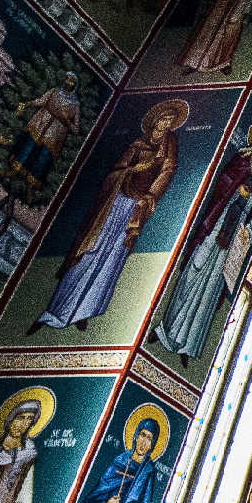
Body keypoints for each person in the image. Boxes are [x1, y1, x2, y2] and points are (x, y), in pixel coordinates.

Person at [32, 100, 184, 333]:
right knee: (91, 248)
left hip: (136, 207)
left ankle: (86, 310)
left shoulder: (168, 145)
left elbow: (167, 170)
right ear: (156, 119)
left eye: (171, 122)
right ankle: (57, 309)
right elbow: (117, 170)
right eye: (165, 119)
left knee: (114, 255)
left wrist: (150, 195)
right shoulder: (138, 143)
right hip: (115, 201)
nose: (167, 124)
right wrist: (130, 171)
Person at [153, 125, 252, 359]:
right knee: (191, 274)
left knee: (209, 291)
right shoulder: (239, 163)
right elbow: (221, 190)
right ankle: (164, 329)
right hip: (215, 227)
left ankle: (188, 345)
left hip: (229, 244)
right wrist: (237, 192)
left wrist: (246, 214)